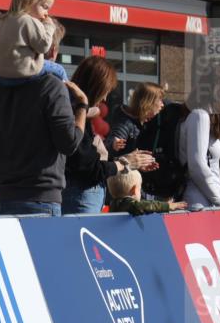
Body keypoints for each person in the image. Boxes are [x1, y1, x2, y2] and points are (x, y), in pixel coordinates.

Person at [0, 47, 88, 217]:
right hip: (40, 200)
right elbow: (69, 143)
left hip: (2, 198)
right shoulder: (52, 85)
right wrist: (82, 106)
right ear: (53, 50)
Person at [63, 56, 155, 214]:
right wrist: (126, 162)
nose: (105, 98)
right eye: (104, 92)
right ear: (95, 87)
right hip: (80, 199)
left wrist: (130, 161)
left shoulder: (77, 114)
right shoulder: (74, 116)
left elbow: (90, 163)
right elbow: (88, 167)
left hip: (82, 198)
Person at [178, 65, 220, 218]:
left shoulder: (204, 117)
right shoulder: (200, 116)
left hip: (205, 201)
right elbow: (197, 166)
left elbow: (211, 170)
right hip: (197, 204)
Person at [0, 0, 56, 85]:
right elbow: (43, 46)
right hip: (19, 74)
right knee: (59, 70)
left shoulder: (2, 20)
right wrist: (49, 26)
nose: (46, 14)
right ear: (28, 1)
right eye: (45, 7)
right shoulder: (29, 21)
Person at [106, 82, 164, 155]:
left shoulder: (144, 121)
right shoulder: (125, 123)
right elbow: (111, 145)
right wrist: (114, 145)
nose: (162, 105)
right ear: (149, 102)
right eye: (160, 100)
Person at [107, 169, 187, 216]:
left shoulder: (114, 204)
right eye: (140, 188)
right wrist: (167, 206)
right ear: (134, 190)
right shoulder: (128, 204)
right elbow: (143, 206)